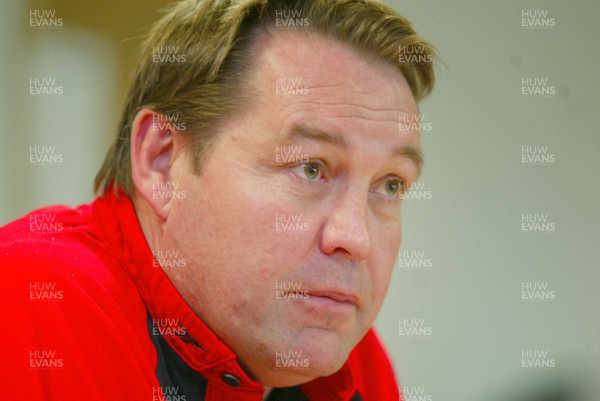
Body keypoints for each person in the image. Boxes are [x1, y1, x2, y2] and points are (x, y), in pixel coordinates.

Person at [0, 0, 435, 400]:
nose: (355, 238)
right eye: (310, 168)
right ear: (162, 161)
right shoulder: (32, 304)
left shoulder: (352, 361)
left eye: (391, 184)